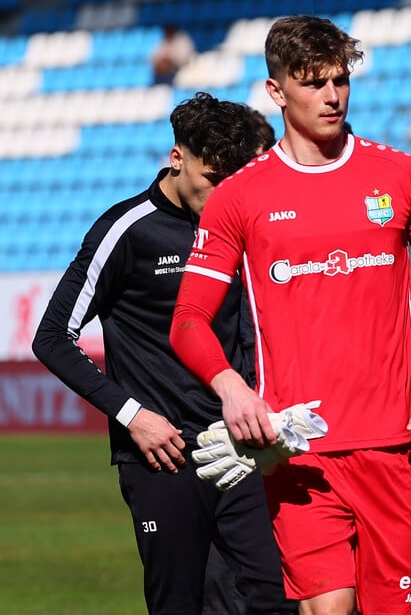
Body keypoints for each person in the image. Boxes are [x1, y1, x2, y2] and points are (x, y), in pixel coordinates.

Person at [169, 15, 411, 615]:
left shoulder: (403, 176)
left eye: (340, 80)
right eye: (312, 83)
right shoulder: (241, 197)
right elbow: (188, 319)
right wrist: (233, 389)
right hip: (296, 449)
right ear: (276, 90)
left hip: (392, 446)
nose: (332, 96)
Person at [32, 92, 295, 615]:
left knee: (281, 597)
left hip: (241, 449)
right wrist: (133, 416)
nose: (221, 194)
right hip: (163, 459)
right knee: (178, 604)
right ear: (178, 158)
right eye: (212, 178)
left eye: (231, 181)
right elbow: (52, 336)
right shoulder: (125, 230)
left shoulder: (237, 222)